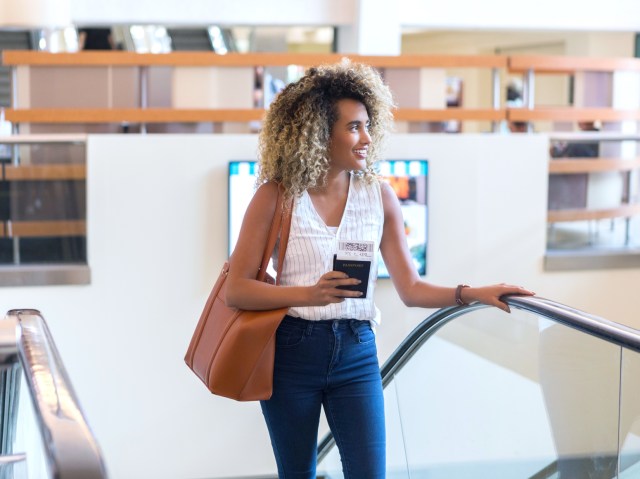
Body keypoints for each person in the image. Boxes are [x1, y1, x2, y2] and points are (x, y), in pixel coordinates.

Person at [225, 60, 534, 479]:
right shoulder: (275, 197)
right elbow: (237, 290)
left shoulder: (380, 197)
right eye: (354, 127)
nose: (366, 138)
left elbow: (410, 288)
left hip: (356, 352)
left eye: (368, 126)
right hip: (292, 353)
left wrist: (472, 293)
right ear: (319, 132)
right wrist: (307, 294)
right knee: (297, 474)